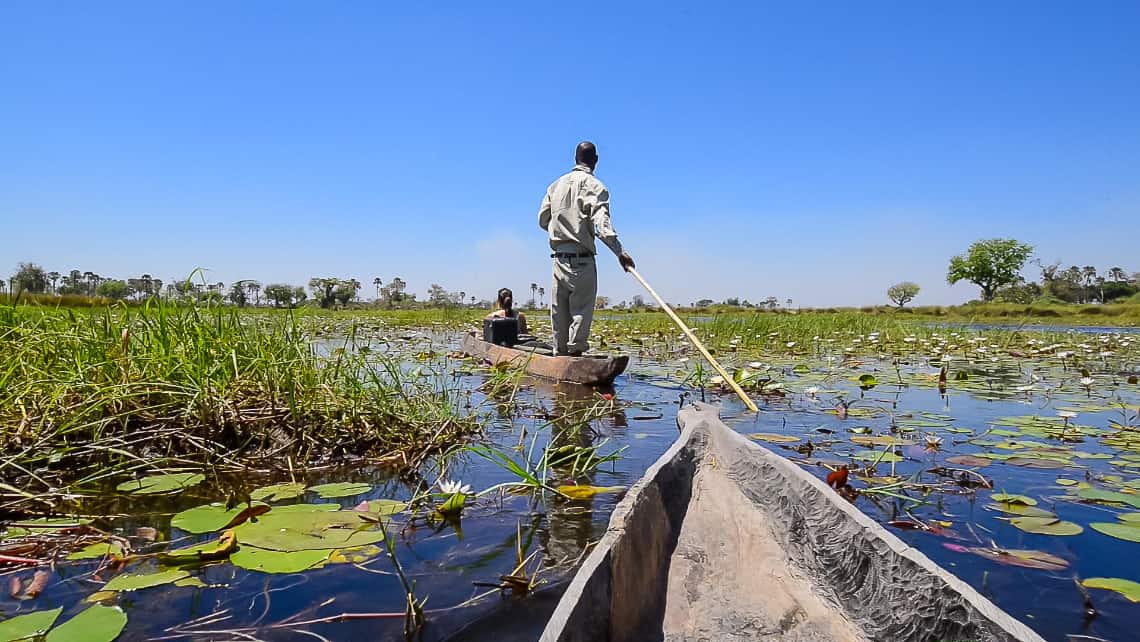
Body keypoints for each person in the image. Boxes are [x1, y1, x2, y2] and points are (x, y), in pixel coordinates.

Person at [538, 141, 635, 356]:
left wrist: (561, 229)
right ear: (596, 161)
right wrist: (620, 252)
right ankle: (574, 355)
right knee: (580, 310)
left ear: (575, 159)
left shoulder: (555, 186)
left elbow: (543, 219)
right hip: (582, 260)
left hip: (558, 259)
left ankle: (560, 355)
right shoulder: (596, 186)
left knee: (559, 314)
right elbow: (602, 225)